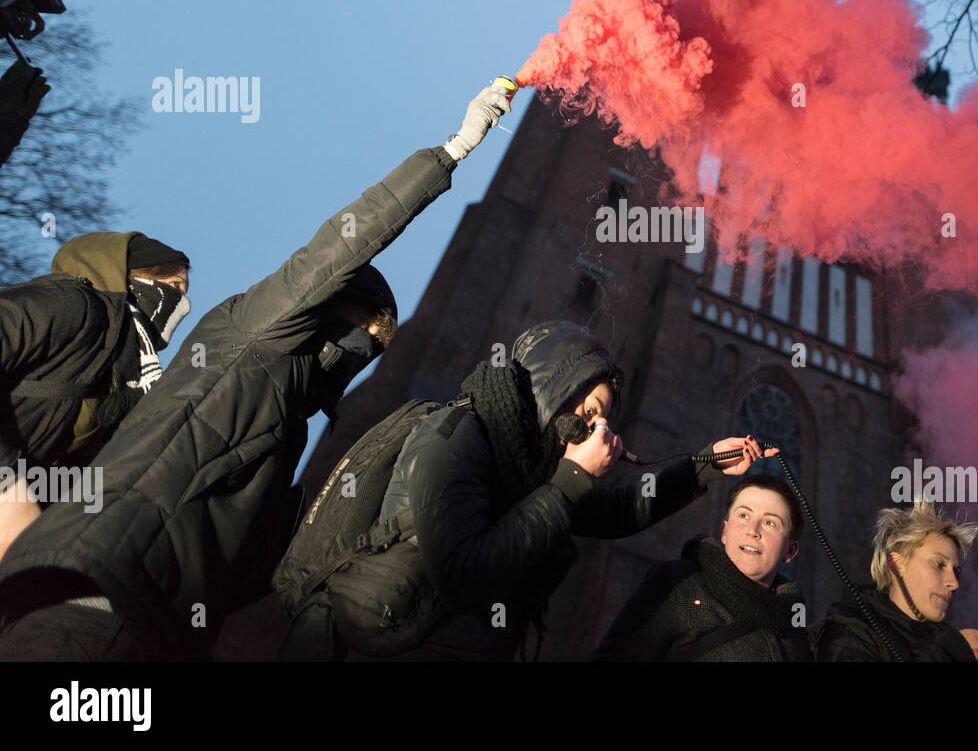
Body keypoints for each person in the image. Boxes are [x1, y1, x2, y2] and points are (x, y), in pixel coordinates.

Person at [0, 81, 509, 659]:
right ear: (324, 309)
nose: (357, 354)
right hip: (96, 602)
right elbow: (337, 249)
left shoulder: (291, 426)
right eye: (356, 332)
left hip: (157, 632)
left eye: (372, 349)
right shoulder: (254, 337)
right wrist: (451, 152)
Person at [316, 319, 776, 661]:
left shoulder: (528, 464)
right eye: (590, 409)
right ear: (552, 385)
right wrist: (572, 478)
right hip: (395, 645)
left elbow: (618, 512)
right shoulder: (455, 436)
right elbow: (462, 576)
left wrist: (703, 467)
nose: (593, 427)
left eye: (601, 419)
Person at [0, 232, 192, 560]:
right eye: (174, 288)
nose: (183, 307)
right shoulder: (75, 307)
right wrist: (8, 487)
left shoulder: (122, 383)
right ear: (129, 276)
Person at [592, 475, 810, 661]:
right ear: (724, 532)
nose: (753, 530)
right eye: (743, 515)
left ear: (790, 551)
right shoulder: (678, 585)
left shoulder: (794, 626)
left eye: (770, 523)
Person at [812, 500, 978, 661]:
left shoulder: (946, 639)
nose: (954, 583)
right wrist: (949, 654)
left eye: (956, 571)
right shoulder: (848, 633)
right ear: (897, 564)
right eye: (938, 565)